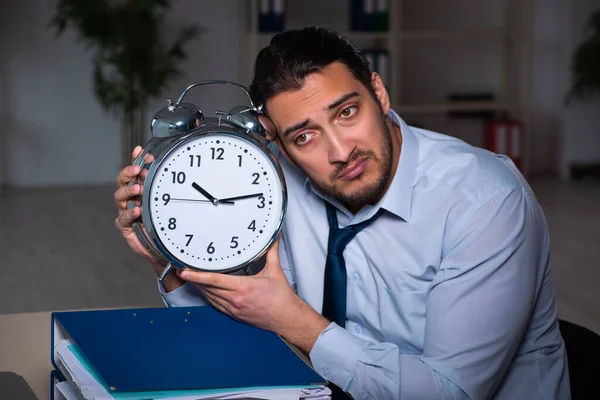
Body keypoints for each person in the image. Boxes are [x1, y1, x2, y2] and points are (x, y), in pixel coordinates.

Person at [114, 26, 570, 399]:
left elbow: (451, 393)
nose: (340, 151)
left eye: (347, 112)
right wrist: (165, 251)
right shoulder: (273, 189)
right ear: (279, 145)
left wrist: (295, 321)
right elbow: (244, 331)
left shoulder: (484, 203)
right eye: (304, 136)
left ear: (379, 93)